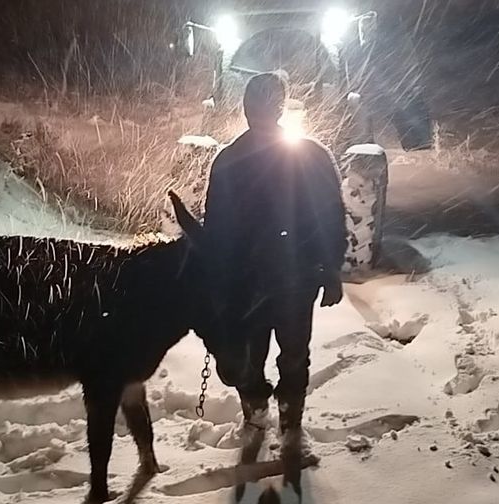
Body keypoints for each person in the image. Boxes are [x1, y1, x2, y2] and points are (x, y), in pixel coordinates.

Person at [202, 72, 347, 495]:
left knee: (280, 355)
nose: (257, 113)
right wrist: (330, 268)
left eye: (260, 105)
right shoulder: (294, 156)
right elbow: (330, 220)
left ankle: (278, 418)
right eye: (254, 106)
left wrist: (331, 268)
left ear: (275, 108)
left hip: (275, 281)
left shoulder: (258, 158)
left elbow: (329, 218)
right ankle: (272, 414)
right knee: (274, 355)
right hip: (273, 281)